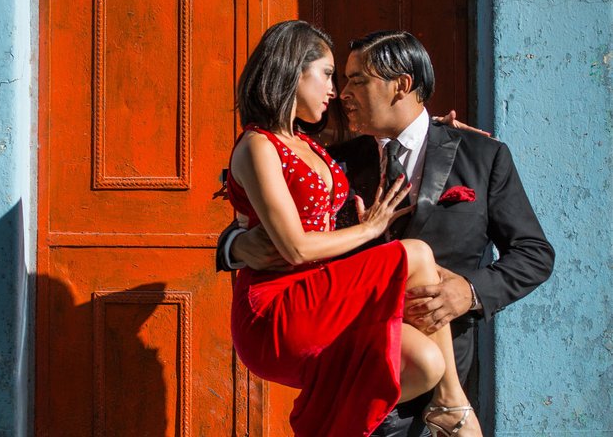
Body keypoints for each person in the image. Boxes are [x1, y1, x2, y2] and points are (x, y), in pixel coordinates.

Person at [219, 29, 555, 435]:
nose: (342, 93)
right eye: (336, 78)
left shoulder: (481, 156)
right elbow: (268, 215)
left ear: (402, 85)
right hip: (352, 354)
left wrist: (467, 292)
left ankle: (450, 405)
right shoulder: (334, 161)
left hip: (426, 367)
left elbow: (534, 254)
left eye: (357, 80)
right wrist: (234, 246)